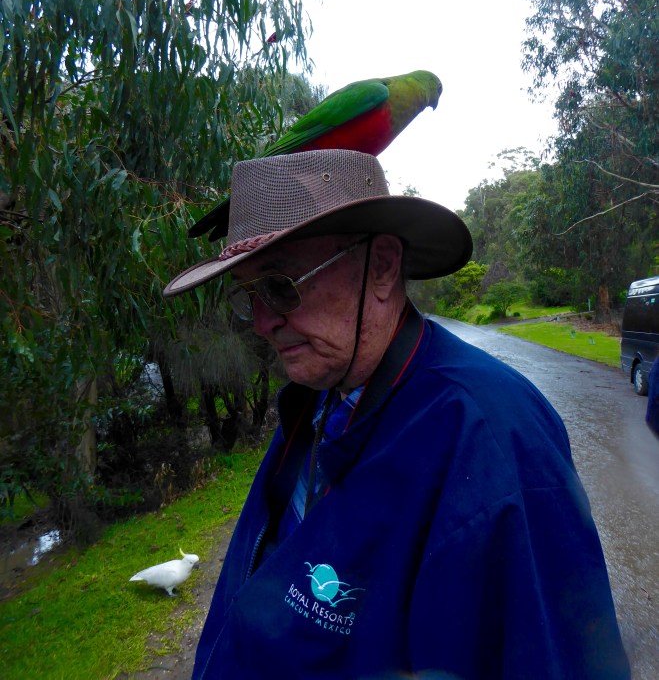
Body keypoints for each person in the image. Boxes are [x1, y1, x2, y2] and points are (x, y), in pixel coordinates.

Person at [164, 148, 630, 680]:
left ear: (382, 266)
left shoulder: (492, 435)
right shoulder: (319, 393)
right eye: (249, 295)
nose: (261, 323)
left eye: (280, 286)